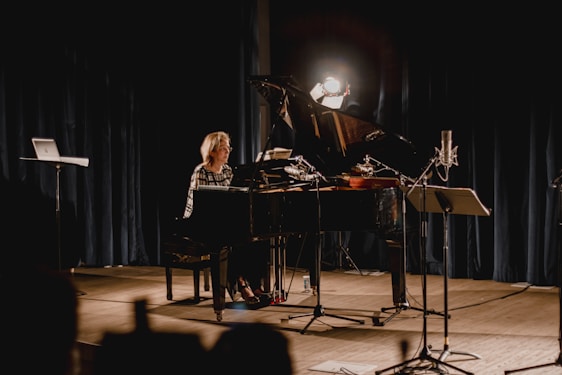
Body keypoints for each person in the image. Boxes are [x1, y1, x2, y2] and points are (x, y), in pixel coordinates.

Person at [183, 130, 267, 306]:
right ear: (212, 151)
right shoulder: (201, 172)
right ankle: (242, 284)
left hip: (223, 220)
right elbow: (202, 205)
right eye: (223, 148)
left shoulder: (228, 171)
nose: (227, 151)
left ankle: (255, 284)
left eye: (228, 148)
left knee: (256, 238)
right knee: (232, 240)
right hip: (200, 222)